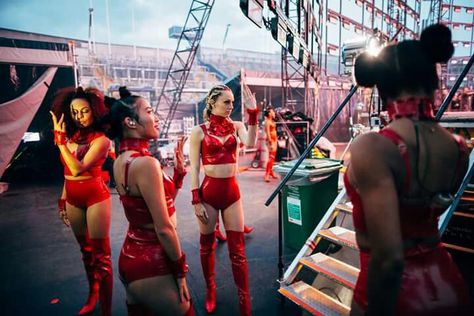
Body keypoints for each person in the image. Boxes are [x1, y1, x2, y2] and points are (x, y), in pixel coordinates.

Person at [345, 24, 473, 315]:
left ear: (382, 85)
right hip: (450, 285)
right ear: (433, 83)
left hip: (393, 296)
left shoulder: (373, 148)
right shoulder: (458, 148)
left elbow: (389, 259)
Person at [104, 87, 193, 315]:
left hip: (131, 257)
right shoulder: (146, 164)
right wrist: (180, 270)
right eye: (150, 111)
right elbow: (163, 228)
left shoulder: (120, 161)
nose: (156, 118)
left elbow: (156, 207)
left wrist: (179, 175)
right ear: (130, 122)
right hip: (153, 261)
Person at [189, 84, 258, 315]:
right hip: (208, 193)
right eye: (226, 102)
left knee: (238, 251)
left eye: (232, 102)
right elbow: (194, 168)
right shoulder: (199, 131)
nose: (231, 106)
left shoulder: (237, 126)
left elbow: (250, 142)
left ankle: (245, 301)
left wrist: (253, 114)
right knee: (206, 246)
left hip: (232, 193)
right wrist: (195, 199)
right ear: (213, 103)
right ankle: (210, 289)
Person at [50, 87, 113, 316]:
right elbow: (67, 173)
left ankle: (106, 308)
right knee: (85, 252)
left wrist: (59, 141)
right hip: (72, 198)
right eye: (74, 112)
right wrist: (62, 200)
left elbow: (77, 168)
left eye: (84, 111)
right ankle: (92, 294)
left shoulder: (102, 141)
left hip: (96, 197)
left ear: (94, 111)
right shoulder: (70, 138)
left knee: (102, 257)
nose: (79, 116)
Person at [263, 107, 278, 182]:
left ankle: (271, 172)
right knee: (271, 158)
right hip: (271, 141)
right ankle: (267, 174)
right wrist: (270, 142)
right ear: (269, 113)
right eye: (272, 112)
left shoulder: (272, 121)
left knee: (273, 158)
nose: (274, 113)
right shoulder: (267, 122)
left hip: (274, 140)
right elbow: (268, 133)